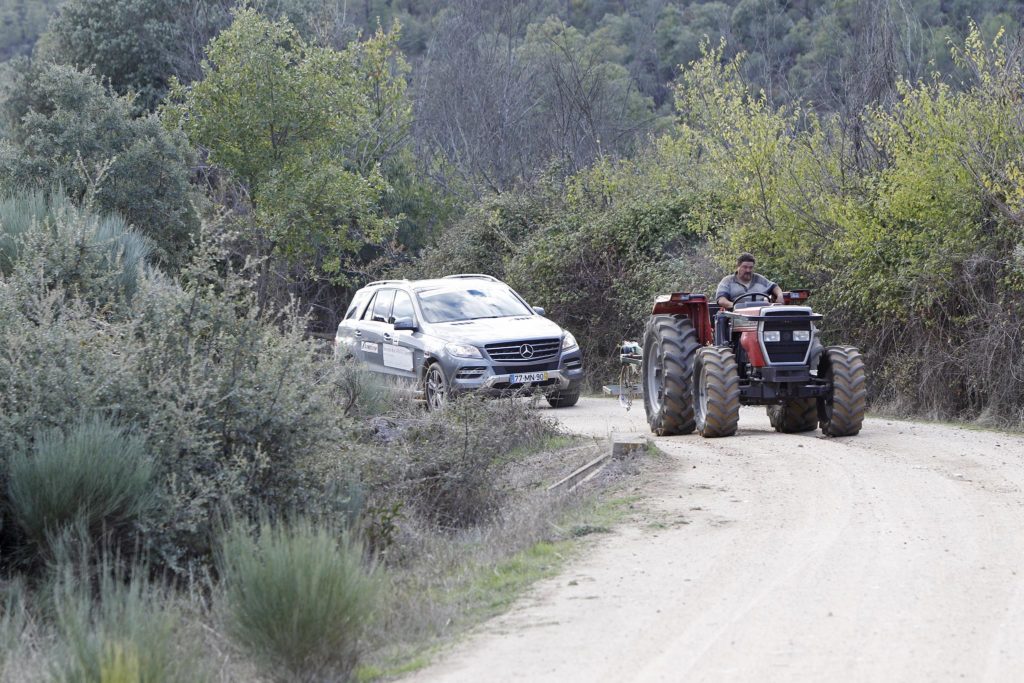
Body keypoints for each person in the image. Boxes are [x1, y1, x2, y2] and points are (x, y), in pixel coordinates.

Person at [715, 252, 783, 310]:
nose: (748, 270)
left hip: (760, 315)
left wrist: (780, 296)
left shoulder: (760, 279)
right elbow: (721, 300)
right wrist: (738, 307)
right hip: (737, 316)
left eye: (750, 267)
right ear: (738, 267)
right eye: (745, 267)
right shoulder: (727, 281)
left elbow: (775, 287)